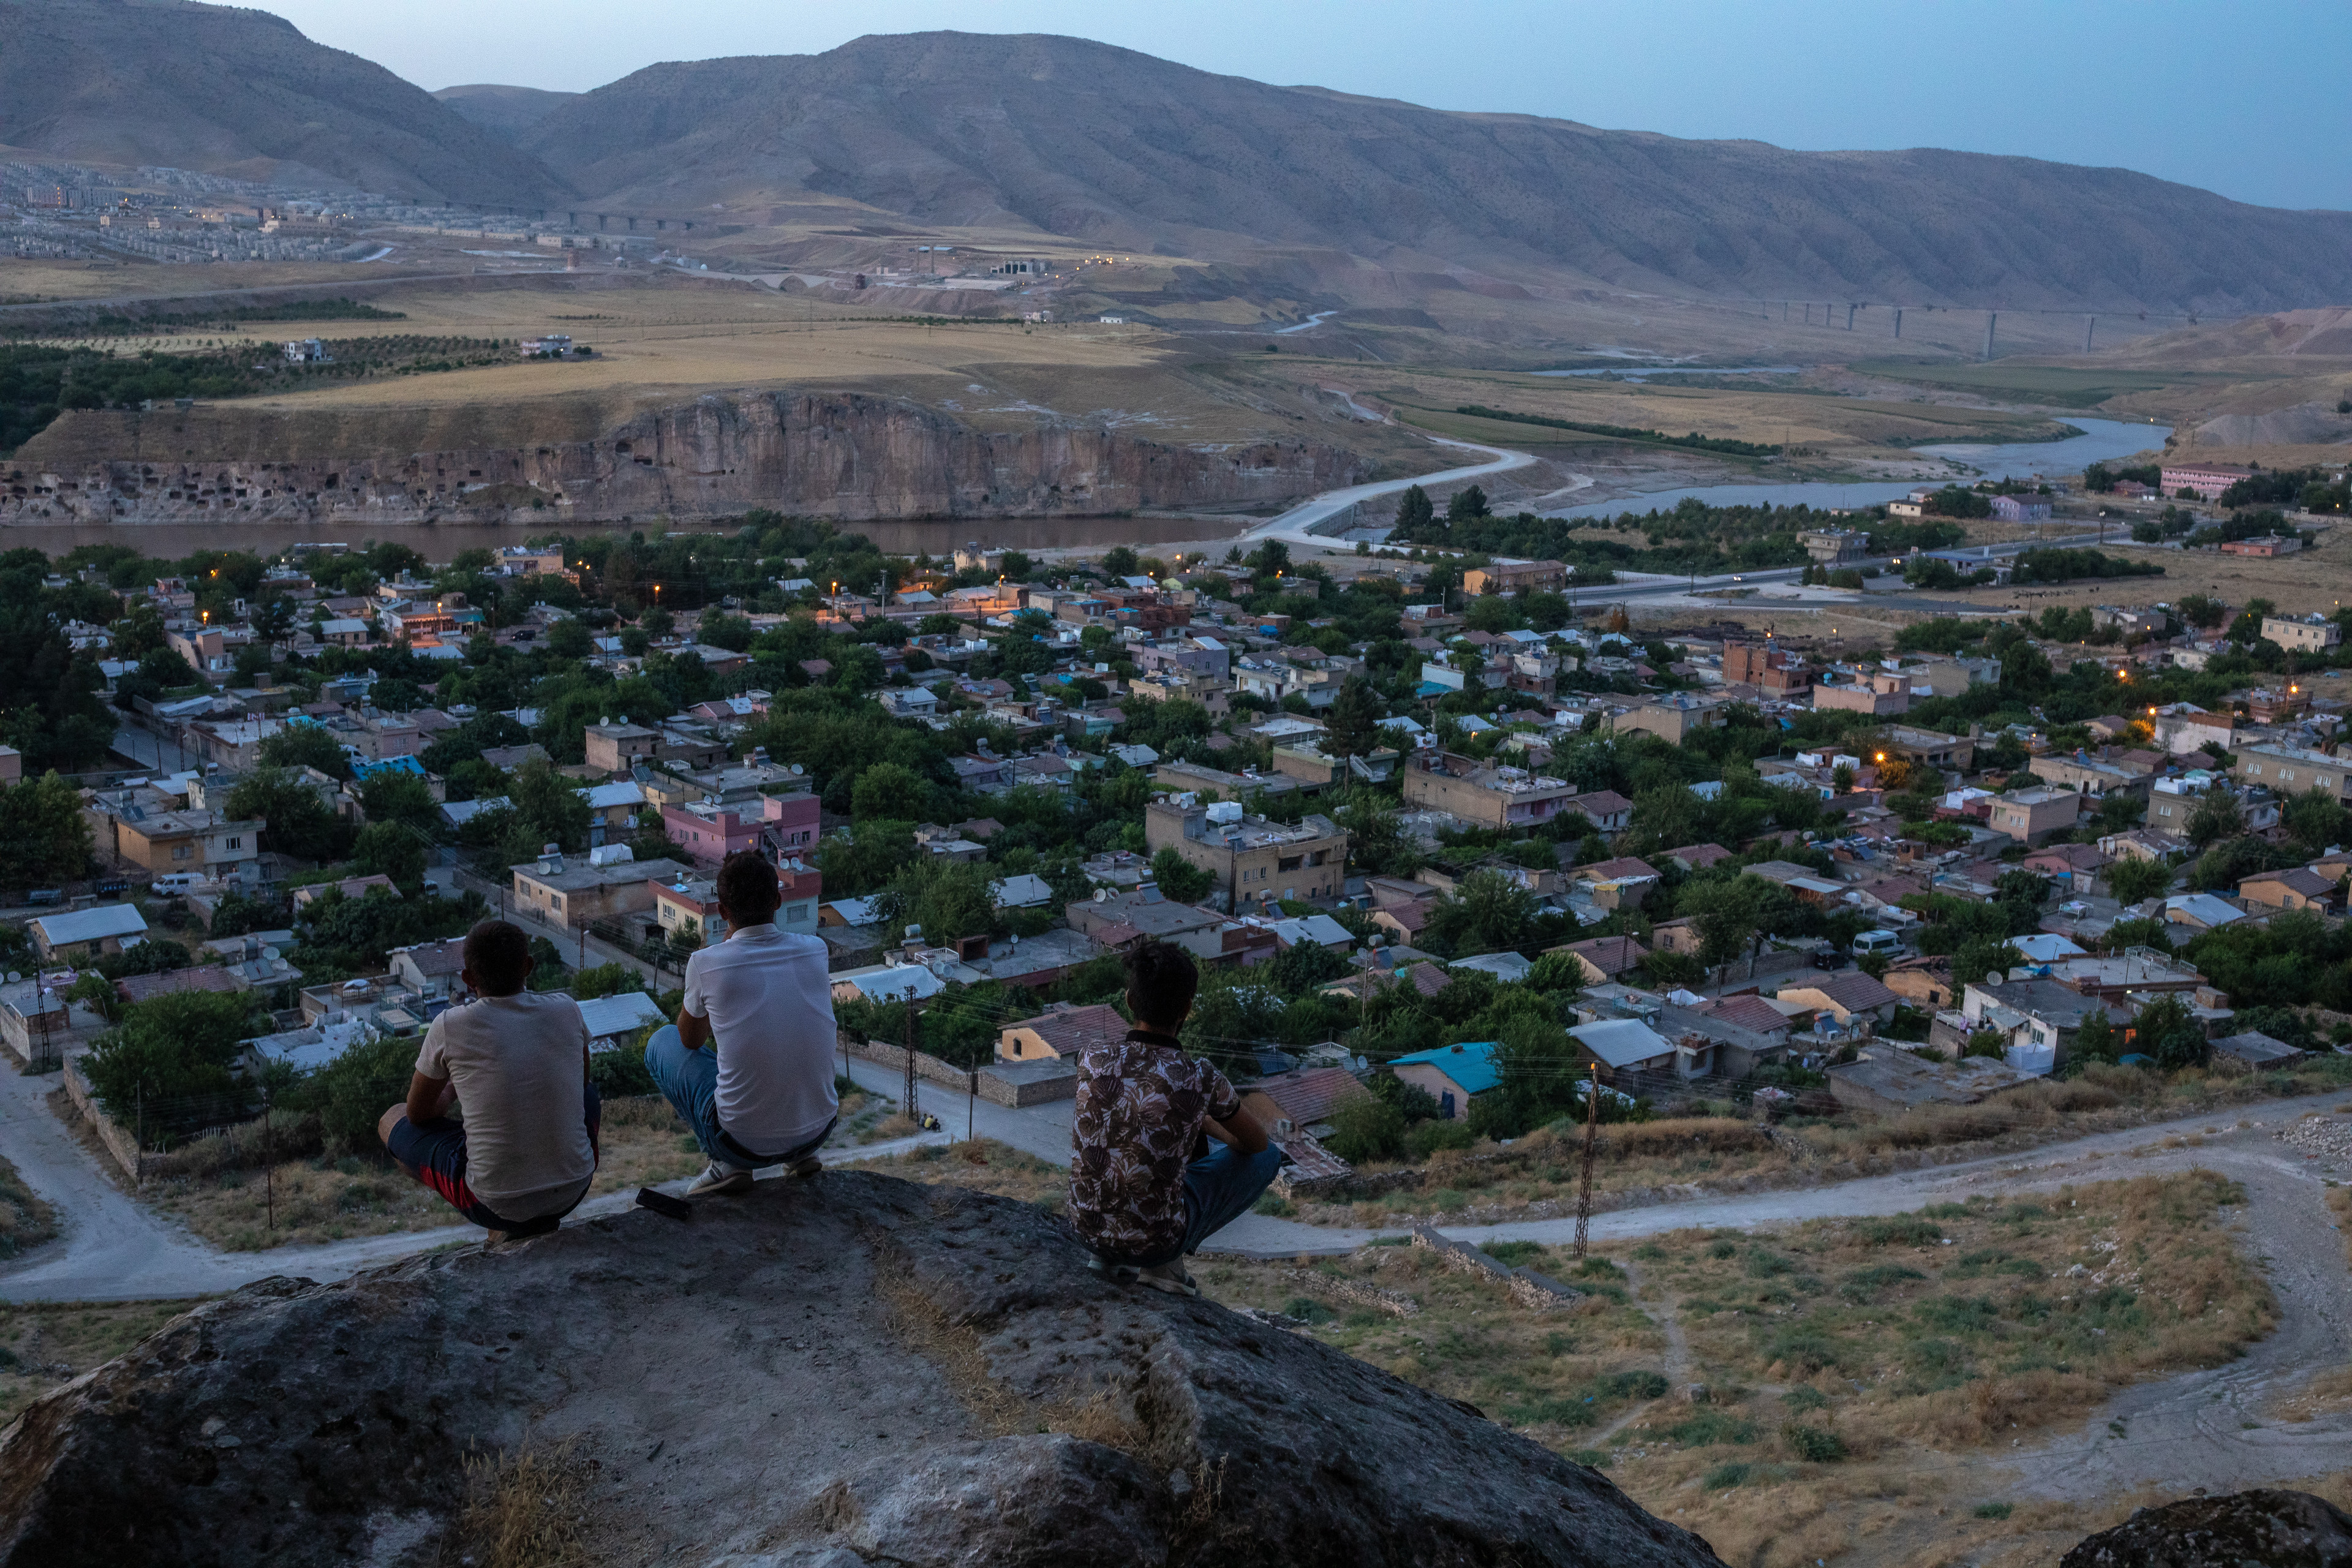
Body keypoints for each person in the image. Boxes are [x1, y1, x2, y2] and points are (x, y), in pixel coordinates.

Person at [1069, 941, 1281, 1296]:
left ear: (1130, 1000)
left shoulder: (1092, 1057)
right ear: (1187, 1008)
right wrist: (1198, 1118)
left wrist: (1189, 1118)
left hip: (1086, 1230)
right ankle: (1165, 1267)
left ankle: (1109, 1259)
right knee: (1270, 1157)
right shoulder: (1198, 1077)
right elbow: (1257, 1144)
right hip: (1156, 1243)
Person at [379, 918, 599, 1242]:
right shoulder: (566, 1008)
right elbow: (581, 1082)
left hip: (491, 1203)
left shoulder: (451, 1025)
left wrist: (454, 1088)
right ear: (528, 966)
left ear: (468, 979)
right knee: (589, 1094)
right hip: (574, 1188)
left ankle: (506, 1222)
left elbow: (417, 1114)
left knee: (391, 1121)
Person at [646, 850, 839, 1196]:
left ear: (722, 911)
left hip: (740, 1143)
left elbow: (689, 1041)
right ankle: (800, 1157)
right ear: (779, 901)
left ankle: (727, 1166)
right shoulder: (815, 950)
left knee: (661, 1043)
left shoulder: (706, 963)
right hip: (819, 1128)